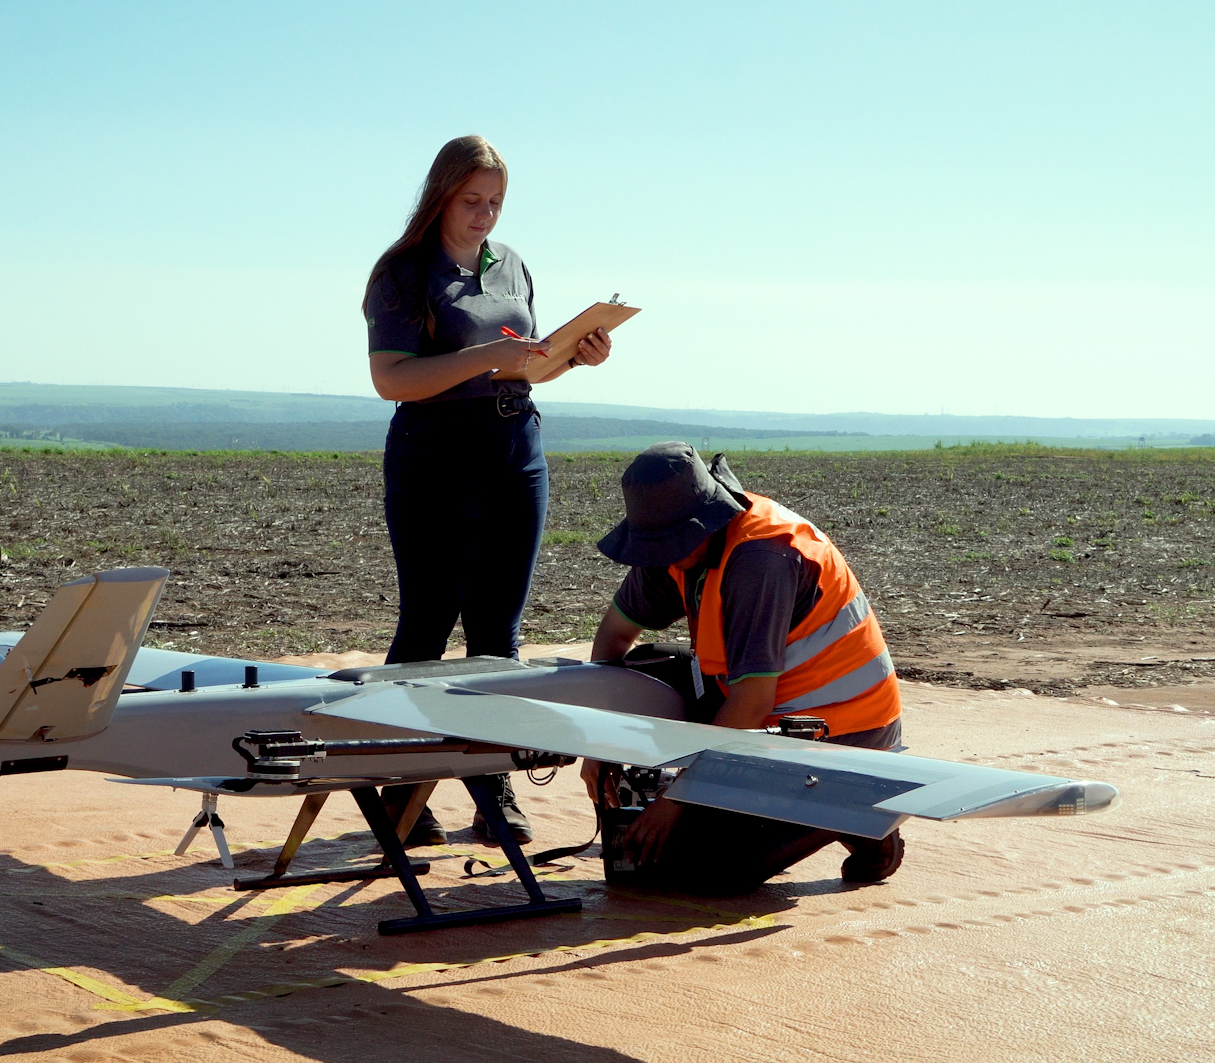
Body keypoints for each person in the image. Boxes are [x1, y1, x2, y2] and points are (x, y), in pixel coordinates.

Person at [364, 135, 612, 846]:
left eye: (496, 203)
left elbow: (526, 369)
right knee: (428, 625)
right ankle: (398, 787)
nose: (485, 215)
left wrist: (572, 358)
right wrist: (492, 356)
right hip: (435, 454)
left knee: (498, 634)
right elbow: (392, 379)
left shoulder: (513, 265)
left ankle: (492, 788)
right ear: (441, 195)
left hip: (515, 448)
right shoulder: (403, 272)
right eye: (473, 201)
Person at [582, 441, 906, 893]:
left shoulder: (761, 559)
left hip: (839, 732)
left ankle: (861, 813)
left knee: (709, 870)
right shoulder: (671, 547)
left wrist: (677, 799)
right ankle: (752, 811)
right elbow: (615, 637)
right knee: (641, 671)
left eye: (671, 544)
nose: (663, 556)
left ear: (704, 519)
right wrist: (601, 742)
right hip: (762, 714)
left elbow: (752, 702)